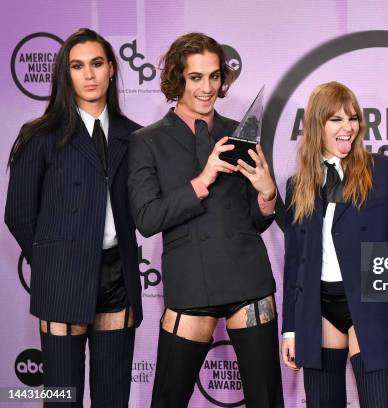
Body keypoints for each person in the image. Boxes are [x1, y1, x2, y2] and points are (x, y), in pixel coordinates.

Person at [128, 32, 283, 407]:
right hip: (191, 284)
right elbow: (147, 219)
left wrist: (267, 194)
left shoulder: (239, 133)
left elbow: (255, 220)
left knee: (266, 399)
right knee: (168, 398)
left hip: (248, 279)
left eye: (214, 76)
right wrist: (203, 179)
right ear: (177, 79)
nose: (207, 87)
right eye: (196, 77)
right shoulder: (147, 141)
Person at [5, 28, 142, 407]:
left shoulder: (136, 137)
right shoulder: (40, 136)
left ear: (111, 69)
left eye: (96, 64)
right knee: (61, 398)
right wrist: (54, 261)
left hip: (118, 277)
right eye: (77, 66)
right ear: (66, 75)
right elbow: (18, 213)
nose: (89, 74)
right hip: (62, 277)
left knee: (113, 397)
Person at [282, 82, 388, 407]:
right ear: (317, 125)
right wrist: (291, 330)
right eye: (336, 119)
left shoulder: (386, 172)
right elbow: (295, 262)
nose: (348, 127)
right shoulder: (299, 185)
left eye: (352, 118)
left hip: (373, 306)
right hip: (319, 309)